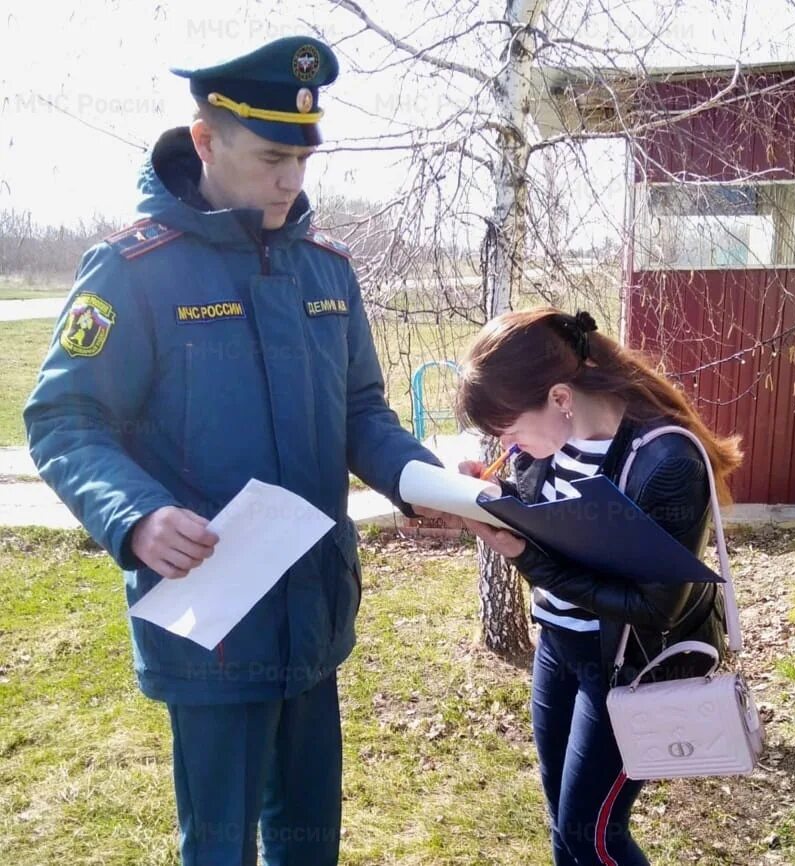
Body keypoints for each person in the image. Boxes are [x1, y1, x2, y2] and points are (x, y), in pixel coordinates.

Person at [23, 36, 442, 866]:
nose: (292, 181)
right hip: (212, 616)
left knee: (309, 841)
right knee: (218, 847)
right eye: (272, 157)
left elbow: (361, 409)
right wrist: (135, 515)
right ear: (207, 141)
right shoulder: (133, 271)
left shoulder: (328, 271)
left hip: (314, 610)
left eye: (304, 159)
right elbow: (66, 418)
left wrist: (417, 478)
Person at [455, 307, 742, 866]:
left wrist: (523, 557)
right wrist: (496, 497)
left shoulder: (665, 460)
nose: (504, 442)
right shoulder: (540, 447)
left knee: (594, 835)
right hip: (557, 647)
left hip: (626, 664)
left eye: (508, 426)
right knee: (563, 822)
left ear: (560, 398)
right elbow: (561, 527)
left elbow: (655, 606)